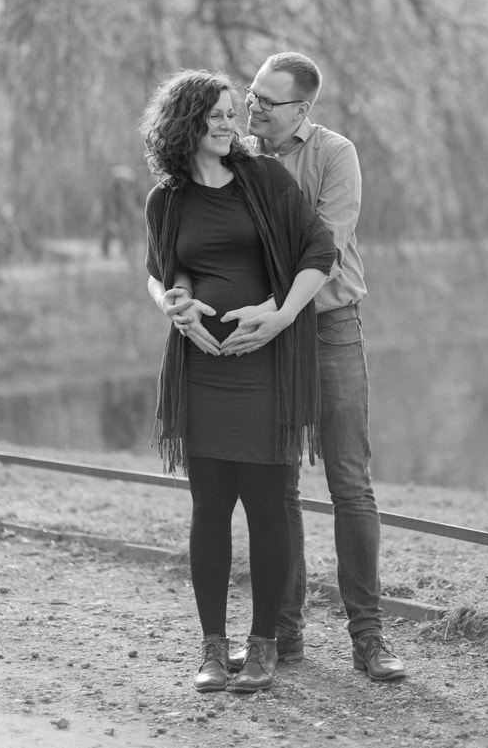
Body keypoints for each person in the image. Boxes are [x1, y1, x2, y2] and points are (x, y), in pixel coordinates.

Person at [174, 51, 407, 683]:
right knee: (276, 488)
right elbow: (196, 233)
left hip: (326, 328)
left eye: (266, 102)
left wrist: (277, 309)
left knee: (349, 482)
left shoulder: (334, 155)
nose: (252, 110)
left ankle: (369, 637)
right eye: (251, 97)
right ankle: (285, 633)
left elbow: (324, 247)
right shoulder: (237, 157)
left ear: (301, 109)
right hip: (264, 338)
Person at [141, 70, 336, 695]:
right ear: (187, 125)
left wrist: (280, 315)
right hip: (201, 370)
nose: (233, 124)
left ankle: (263, 646)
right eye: (219, 115)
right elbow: (159, 271)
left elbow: (319, 250)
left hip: (265, 371)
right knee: (209, 510)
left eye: (234, 112)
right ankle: (211, 648)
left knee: (266, 509)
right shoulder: (166, 199)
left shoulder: (264, 178)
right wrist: (175, 304)